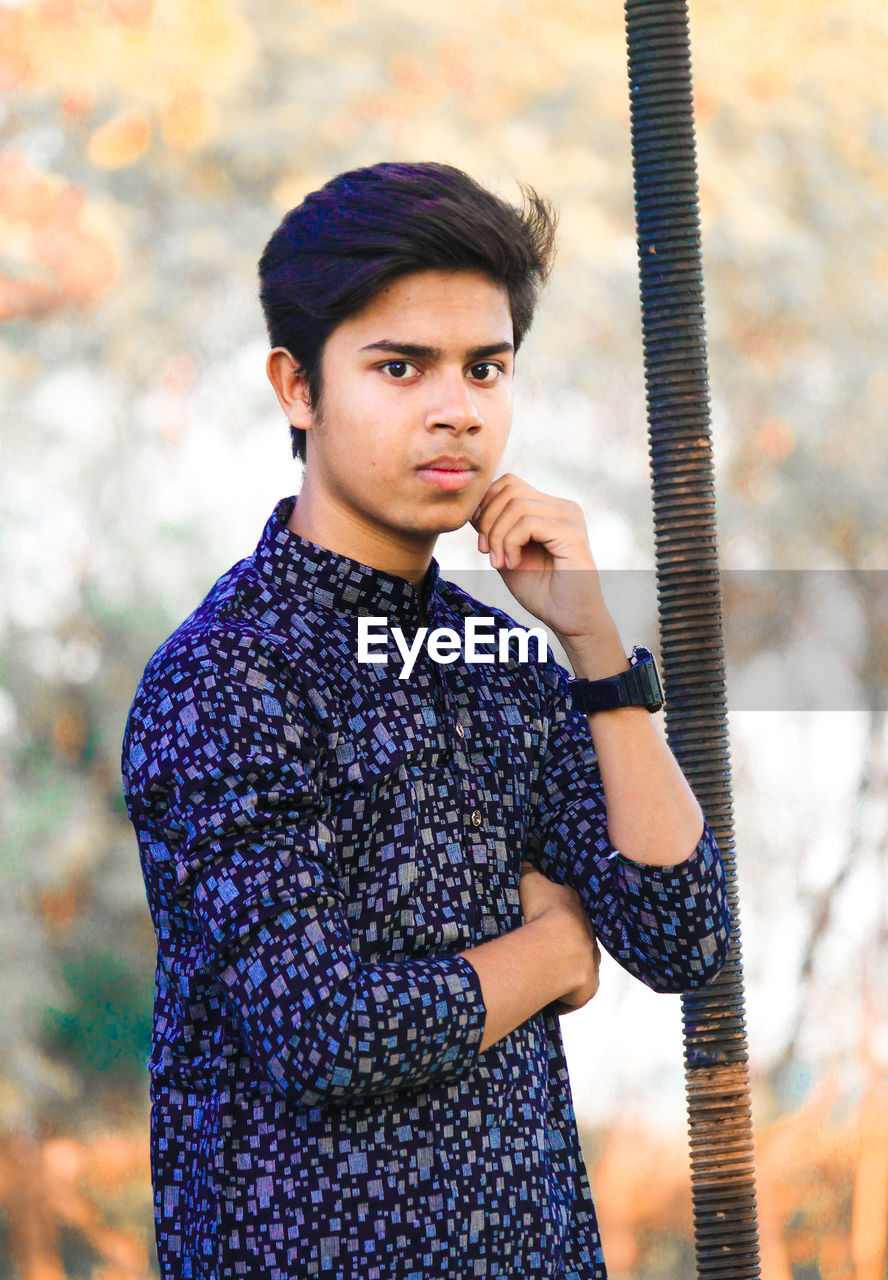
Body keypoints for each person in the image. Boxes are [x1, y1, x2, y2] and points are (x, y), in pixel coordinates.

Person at [121, 161, 731, 1280]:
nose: (457, 407)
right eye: (401, 366)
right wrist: (550, 951)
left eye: (485, 368)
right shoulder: (223, 677)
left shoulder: (501, 655)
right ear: (296, 387)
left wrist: (595, 648)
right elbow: (325, 1029)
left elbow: (683, 932)